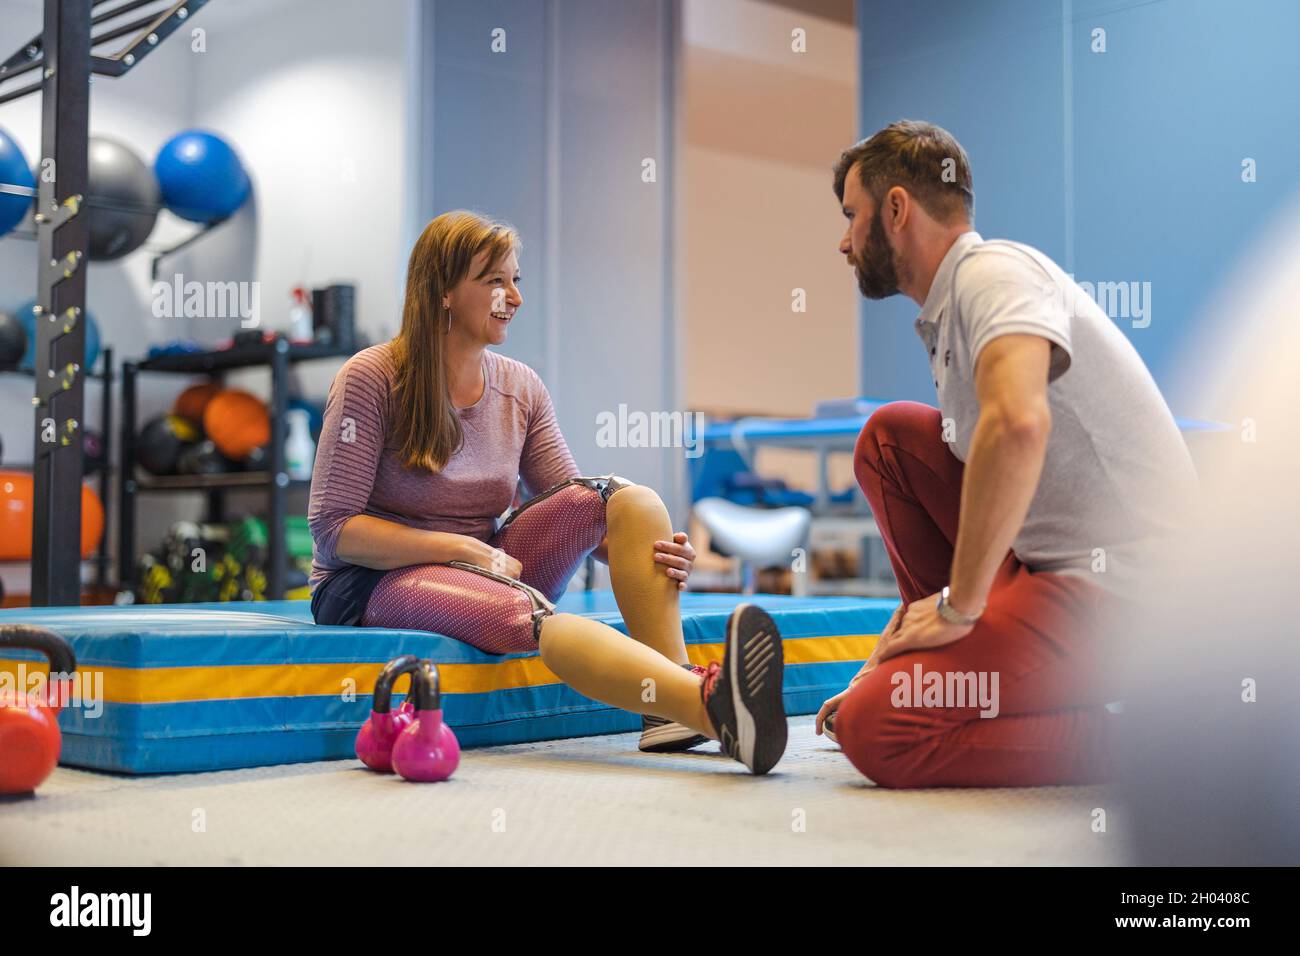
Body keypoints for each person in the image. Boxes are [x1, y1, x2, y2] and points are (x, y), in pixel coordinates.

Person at [308, 210, 787, 775]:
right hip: (370, 583)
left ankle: (669, 715)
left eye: (517, 280)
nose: (514, 296)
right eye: (495, 281)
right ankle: (703, 704)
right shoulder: (373, 376)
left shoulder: (521, 386)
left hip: (492, 564)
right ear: (442, 291)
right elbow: (335, 531)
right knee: (523, 610)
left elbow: (578, 507)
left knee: (626, 499)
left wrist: (651, 549)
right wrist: (459, 550)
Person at [817, 121, 1198, 787]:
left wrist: (961, 606)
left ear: (898, 209)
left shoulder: (992, 273)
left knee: (876, 727)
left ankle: (1149, 742)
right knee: (892, 440)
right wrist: (890, 655)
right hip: (1046, 569)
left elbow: (1019, 423)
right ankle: (932, 661)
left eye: (853, 216)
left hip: (1130, 597)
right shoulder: (951, 308)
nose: (844, 241)